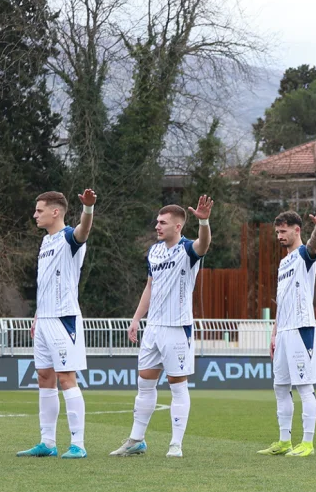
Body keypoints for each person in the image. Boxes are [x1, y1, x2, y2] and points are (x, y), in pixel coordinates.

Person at [111, 196, 214, 458]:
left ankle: (175, 444)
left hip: (177, 327)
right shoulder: (154, 251)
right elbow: (150, 286)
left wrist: (204, 222)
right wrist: (136, 319)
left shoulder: (188, 249)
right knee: (144, 383)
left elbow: (204, 244)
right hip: (153, 328)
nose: (157, 226)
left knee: (177, 384)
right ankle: (136, 440)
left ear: (178, 226)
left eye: (163, 222)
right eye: (157, 222)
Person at [16, 190, 96, 459]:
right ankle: (47, 442)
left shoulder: (70, 237)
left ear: (55, 212)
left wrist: (88, 209)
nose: (35, 215)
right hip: (45, 320)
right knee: (44, 377)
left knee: (66, 378)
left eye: (39, 210)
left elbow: (84, 230)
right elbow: (47, 282)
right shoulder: (45, 241)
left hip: (64, 319)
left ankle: (78, 444)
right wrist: (38, 315)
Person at [257, 207, 316, 458]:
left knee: (304, 387)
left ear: (297, 230)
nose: (279, 236)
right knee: (280, 387)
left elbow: (313, 247)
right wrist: (274, 334)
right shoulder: (283, 262)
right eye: (277, 232)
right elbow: (282, 300)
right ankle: (284, 441)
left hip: (301, 328)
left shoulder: (304, 255)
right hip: (284, 332)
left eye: (283, 231)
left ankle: (307, 443)